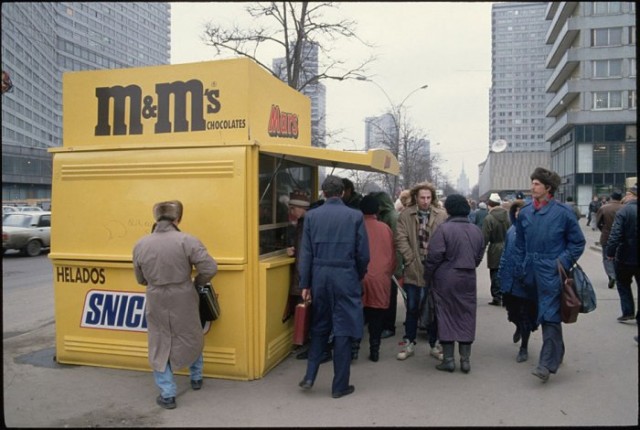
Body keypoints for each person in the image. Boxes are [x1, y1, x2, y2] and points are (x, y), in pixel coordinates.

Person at [132, 200, 218, 409]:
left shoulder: (141, 244)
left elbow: (140, 278)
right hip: (184, 295)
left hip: (156, 295)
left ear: (156, 219)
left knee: (160, 341)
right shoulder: (187, 240)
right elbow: (209, 267)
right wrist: (196, 283)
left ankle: (168, 393)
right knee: (191, 334)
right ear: (177, 219)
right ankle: (196, 378)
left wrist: (154, 282)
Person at [297, 175, 369, 399]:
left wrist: (305, 283)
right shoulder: (355, 216)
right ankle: (339, 386)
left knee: (319, 325)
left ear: (323, 193)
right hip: (345, 275)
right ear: (342, 192)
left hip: (319, 275)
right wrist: (357, 274)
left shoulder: (311, 217)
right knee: (343, 330)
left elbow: (305, 253)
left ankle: (310, 375)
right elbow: (363, 254)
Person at [513, 168, 585, 383]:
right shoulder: (525, 212)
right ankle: (557, 351)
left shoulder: (563, 213)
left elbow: (578, 242)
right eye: (532, 182)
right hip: (530, 271)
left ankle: (546, 364)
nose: (532, 187)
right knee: (540, 312)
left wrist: (560, 262)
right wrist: (521, 266)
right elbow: (519, 244)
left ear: (548, 188)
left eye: (536, 183)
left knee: (549, 314)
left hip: (551, 271)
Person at [424, 194, 485, 373]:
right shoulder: (476, 230)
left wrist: (428, 276)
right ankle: (465, 360)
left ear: (448, 209)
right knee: (467, 315)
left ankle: (448, 360)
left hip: (445, 278)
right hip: (468, 278)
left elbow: (434, 257)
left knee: (446, 315)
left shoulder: (443, 230)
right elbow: (479, 256)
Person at [395, 182, 447, 361]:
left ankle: (434, 344)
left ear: (432, 198)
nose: (425, 201)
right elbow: (400, 238)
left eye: (428, 197)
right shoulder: (406, 215)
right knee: (412, 308)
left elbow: (447, 239)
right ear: (416, 197)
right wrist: (410, 258)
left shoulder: (441, 215)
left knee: (433, 309)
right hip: (413, 269)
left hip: (435, 270)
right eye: (422, 197)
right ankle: (409, 341)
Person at [499, 200, 538, 363]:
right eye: (515, 211)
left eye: (521, 211)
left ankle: (524, 347)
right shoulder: (511, 230)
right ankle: (518, 327)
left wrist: (525, 272)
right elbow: (505, 252)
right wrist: (501, 272)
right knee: (512, 312)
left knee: (525, 315)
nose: (517, 213)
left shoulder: (533, 231)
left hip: (524, 280)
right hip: (509, 279)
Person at [359, 195, 396, 362]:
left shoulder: (356, 226)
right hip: (380, 278)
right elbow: (392, 255)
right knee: (376, 316)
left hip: (358, 277)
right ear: (377, 210)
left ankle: (353, 348)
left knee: (357, 314)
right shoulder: (385, 229)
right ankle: (375, 349)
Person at [370, 191, 403, 339]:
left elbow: (397, 244)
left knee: (390, 296)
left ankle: (389, 326)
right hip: (383, 262)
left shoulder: (392, 217)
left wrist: (396, 267)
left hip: (390, 263)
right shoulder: (384, 216)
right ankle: (383, 324)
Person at [606, 184, 638, 324]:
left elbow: (615, 235)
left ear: (633, 196)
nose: (626, 196)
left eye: (628, 194)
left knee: (623, 284)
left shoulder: (624, 212)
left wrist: (610, 252)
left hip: (626, 256)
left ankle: (628, 311)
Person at [483, 193, 510, 307]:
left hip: (494, 248)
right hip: (508, 246)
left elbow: (485, 236)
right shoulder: (508, 216)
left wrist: (481, 249)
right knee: (506, 272)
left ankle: (497, 296)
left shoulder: (489, 218)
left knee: (495, 272)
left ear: (489, 204)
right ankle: (506, 295)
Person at [596, 190, 624, 289]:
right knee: (619, 257)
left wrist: (603, 230)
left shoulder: (604, 208)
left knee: (607, 258)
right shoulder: (624, 208)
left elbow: (598, 223)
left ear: (611, 198)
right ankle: (618, 275)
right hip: (622, 237)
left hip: (606, 236)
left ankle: (611, 275)